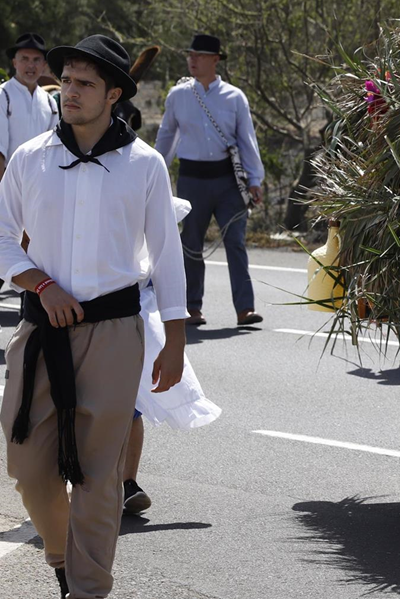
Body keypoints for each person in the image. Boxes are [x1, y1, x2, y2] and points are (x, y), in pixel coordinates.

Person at [0, 34, 186, 599]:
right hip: (39, 331)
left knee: (100, 478)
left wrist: (174, 341)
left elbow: (167, 256)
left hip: (114, 333)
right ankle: (62, 558)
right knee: (29, 471)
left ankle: (87, 588)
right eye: (67, 82)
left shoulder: (144, 165)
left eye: (84, 84)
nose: (70, 92)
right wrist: (41, 282)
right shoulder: (31, 159)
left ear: (113, 95)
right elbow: (3, 237)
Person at [155, 33, 265, 327]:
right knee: (190, 244)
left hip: (227, 181)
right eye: (190, 55)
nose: (192, 60)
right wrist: (153, 171)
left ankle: (245, 309)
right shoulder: (178, 95)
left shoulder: (234, 97)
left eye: (199, 56)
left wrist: (254, 179)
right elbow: (167, 136)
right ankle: (192, 308)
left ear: (215, 60)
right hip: (192, 179)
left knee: (235, 243)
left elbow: (247, 140)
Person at [123, 196, 223, 515]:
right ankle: (78, 478)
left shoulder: (143, 179)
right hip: (80, 315)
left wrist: (173, 342)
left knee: (131, 406)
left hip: (136, 313)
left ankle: (127, 482)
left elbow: (168, 275)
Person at [0, 32, 59, 180]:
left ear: (44, 65)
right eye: (24, 59)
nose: (31, 65)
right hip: (8, 180)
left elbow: (53, 150)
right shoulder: (3, 95)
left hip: (39, 183)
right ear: (14, 62)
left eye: (36, 60)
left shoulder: (50, 102)